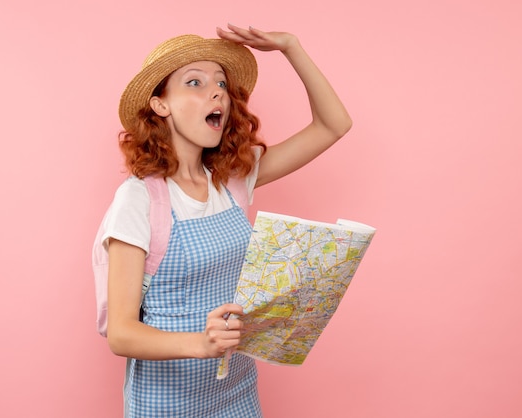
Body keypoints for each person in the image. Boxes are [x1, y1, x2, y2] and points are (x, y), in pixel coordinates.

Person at [99, 23, 352, 417]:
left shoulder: (232, 180)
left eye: (220, 83)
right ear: (160, 104)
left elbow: (333, 125)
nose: (216, 90)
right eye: (195, 82)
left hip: (236, 390)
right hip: (166, 403)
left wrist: (291, 47)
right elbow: (122, 333)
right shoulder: (139, 199)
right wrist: (202, 344)